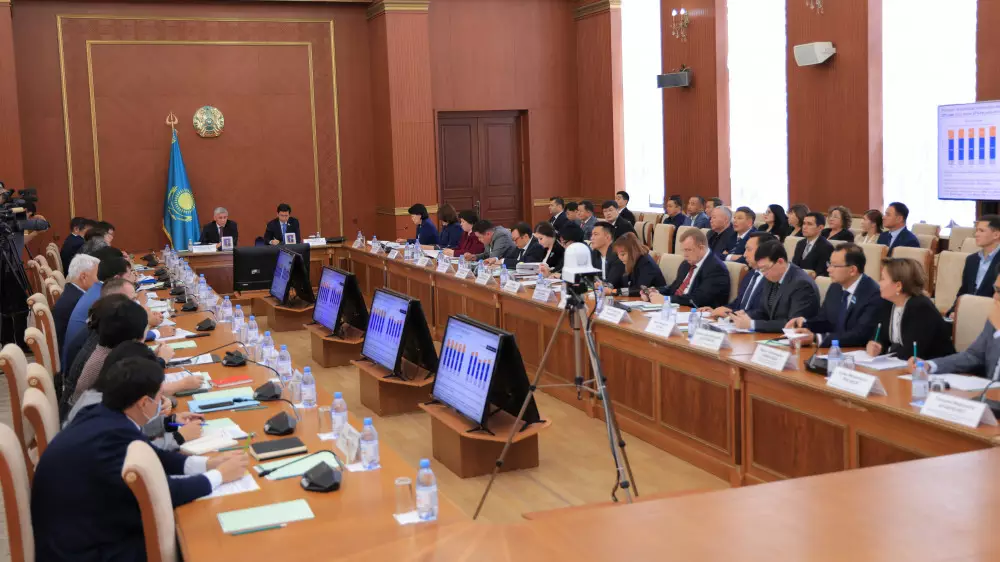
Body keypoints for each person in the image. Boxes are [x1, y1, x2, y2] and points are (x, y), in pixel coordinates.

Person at [31, 356, 249, 561]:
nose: (163, 402)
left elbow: (151, 455)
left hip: (85, 524)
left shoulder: (102, 413)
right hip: (84, 550)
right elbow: (159, 493)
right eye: (159, 396)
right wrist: (219, 476)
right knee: (198, 541)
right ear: (144, 403)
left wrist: (207, 464)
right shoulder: (109, 439)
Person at [66, 341, 203, 451]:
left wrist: (169, 422)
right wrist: (179, 437)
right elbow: (137, 455)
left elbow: (134, 429)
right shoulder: (100, 413)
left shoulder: (106, 395)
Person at [62, 297, 174, 415]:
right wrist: (163, 363)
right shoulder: (112, 361)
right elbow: (141, 396)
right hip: (92, 420)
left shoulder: (106, 348)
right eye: (147, 328)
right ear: (136, 337)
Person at [785, 243, 882, 348]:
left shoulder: (873, 293)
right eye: (829, 264)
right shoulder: (835, 287)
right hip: (832, 350)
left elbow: (860, 335)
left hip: (856, 351)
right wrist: (803, 323)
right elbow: (824, 320)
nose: (828, 270)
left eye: (834, 266)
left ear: (852, 270)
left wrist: (817, 338)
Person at [914, 273, 1000, 379]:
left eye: (999, 291)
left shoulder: (997, 319)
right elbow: (974, 356)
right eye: (995, 290)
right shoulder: (995, 317)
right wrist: (929, 365)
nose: (995, 297)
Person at [867, 257, 954, 360]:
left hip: (933, 365)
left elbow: (912, 350)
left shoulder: (921, 307)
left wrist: (887, 351)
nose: (879, 283)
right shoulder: (888, 303)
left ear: (898, 286)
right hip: (898, 364)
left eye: (883, 279)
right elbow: (880, 336)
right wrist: (876, 345)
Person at [62, 254, 135, 368]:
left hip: (81, 359)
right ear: (117, 278)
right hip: (82, 366)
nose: (133, 279)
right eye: (129, 275)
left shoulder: (98, 289)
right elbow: (124, 333)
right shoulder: (103, 299)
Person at [732, 240, 820, 333]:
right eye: (761, 269)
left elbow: (793, 325)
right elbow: (764, 312)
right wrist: (745, 315)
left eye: (765, 268)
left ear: (780, 261)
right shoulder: (771, 276)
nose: (763, 273)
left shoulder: (802, 284)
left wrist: (752, 324)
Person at [649, 228, 730, 308]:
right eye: (683, 250)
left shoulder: (716, 269)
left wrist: (667, 299)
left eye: (688, 250)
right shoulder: (686, 263)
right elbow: (673, 288)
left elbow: (699, 299)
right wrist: (654, 292)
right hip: (677, 308)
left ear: (701, 248)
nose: (685, 255)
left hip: (697, 312)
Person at [703, 232, 777, 318]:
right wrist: (717, 310)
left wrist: (730, 314)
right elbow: (738, 303)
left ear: (764, 252)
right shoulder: (751, 274)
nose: (744, 255)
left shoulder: (774, 279)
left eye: (749, 250)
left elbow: (763, 314)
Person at [949, 215, 1000, 317]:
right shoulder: (971, 260)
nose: (976, 234)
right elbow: (964, 290)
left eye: (981, 231)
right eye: (976, 230)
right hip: (968, 312)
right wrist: (954, 311)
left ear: (996, 234)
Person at [53, 253, 100, 351]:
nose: (99, 281)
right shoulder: (79, 301)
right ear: (83, 277)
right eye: (97, 276)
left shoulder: (71, 292)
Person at [792, 212, 834, 277]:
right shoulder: (800, 243)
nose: (804, 227)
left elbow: (822, 273)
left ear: (820, 228)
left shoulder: (826, 247)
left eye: (809, 224)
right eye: (804, 223)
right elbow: (794, 265)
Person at [590, 221, 625, 287]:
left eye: (595, 234)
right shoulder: (595, 253)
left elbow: (611, 283)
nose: (591, 238)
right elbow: (590, 276)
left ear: (608, 237)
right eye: (592, 235)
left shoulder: (618, 255)